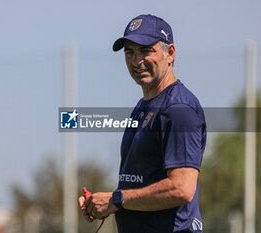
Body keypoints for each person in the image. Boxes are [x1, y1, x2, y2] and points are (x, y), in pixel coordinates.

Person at [78, 14, 206, 233]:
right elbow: (138, 186)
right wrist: (105, 204)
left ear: (170, 54)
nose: (136, 60)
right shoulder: (143, 106)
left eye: (146, 50)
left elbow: (181, 188)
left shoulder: (178, 110)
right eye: (130, 52)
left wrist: (115, 200)